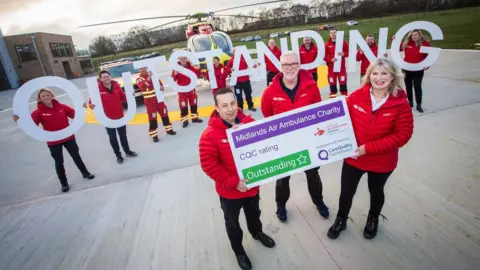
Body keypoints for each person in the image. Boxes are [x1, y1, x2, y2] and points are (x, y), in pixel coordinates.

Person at [327, 58, 414, 240]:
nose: (379, 78)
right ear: (369, 75)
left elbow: (403, 135)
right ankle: (341, 219)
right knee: (346, 192)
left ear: (392, 77)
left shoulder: (401, 103)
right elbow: (340, 122)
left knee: (376, 192)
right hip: (354, 158)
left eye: (384, 73)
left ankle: (372, 219)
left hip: (382, 162)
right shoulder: (356, 96)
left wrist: (369, 148)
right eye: (375, 73)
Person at [199, 88, 275, 270]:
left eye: (232, 103)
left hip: (252, 186)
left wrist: (248, 134)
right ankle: (239, 251)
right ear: (216, 108)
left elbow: (266, 146)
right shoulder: (209, 135)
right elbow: (208, 165)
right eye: (224, 105)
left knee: (254, 214)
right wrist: (234, 183)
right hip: (230, 192)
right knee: (232, 222)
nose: (230, 109)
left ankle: (257, 233)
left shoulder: (250, 123)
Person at [261, 51, 329, 222]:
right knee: (283, 178)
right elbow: (267, 116)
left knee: (313, 174)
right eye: (286, 64)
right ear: (280, 67)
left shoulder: (311, 87)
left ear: (299, 65)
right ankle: (281, 205)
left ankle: (318, 201)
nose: (290, 68)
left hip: (308, 142)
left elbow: (317, 112)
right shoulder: (270, 91)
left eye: (293, 64)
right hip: (284, 144)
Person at [13, 88, 94, 193]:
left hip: (68, 137)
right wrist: (18, 120)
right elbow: (31, 125)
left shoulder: (62, 107)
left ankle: (85, 173)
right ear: (39, 99)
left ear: (52, 96)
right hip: (53, 141)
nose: (46, 97)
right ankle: (64, 183)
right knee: (59, 162)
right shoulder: (38, 112)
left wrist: (83, 108)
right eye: (43, 96)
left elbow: (76, 115)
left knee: (76, 155)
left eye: (48, 95)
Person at [87, 70, 138, 164]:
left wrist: (131, 96)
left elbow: (123, 97)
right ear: (100, 79)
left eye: (107, 76)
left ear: (110, 77)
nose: (106, 78)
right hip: (107, 118)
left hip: (120, 115)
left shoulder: (116, 85)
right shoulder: (97, 88)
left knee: (123, 135)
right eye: (104, 77)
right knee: (113, 138)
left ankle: (127, 151)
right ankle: (118, 156)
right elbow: (91, 102)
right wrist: (91, 105)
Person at [393, 29, 431, 113]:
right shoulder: (407, 43)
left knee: (417, 86)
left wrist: (427, 65)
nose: (414, 36)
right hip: (407, 68)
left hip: (418, 69)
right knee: (408, 86)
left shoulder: (425, 44)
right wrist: (394, 40)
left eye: (416, 34)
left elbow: (428, 56)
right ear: (411, 36)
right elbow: (397, 48)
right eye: (413, 35)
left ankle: (419, 104)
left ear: (419, 35)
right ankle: (410, 102)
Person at [137, 67, 177, 140]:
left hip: (159, 100)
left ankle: (169, 130)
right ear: (140, 70)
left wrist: (161, 87)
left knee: (165, 114)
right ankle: (154, 135)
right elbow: (143, 87)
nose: (144, 70)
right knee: (153, 118)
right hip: (150, 102)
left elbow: (160, 83)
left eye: (145, 68)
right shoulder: (139, 79)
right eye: (142, 68)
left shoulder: (154, 76)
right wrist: (149, 77)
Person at [171, 56, 203, 127]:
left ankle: (194, 118)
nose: (183, 60)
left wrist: (198, 70)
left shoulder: (191, 67)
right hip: (182, 91)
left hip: (191, 90)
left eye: (184, 58)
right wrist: (174, 74)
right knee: (183, 107)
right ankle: (185, 121)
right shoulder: (176, 68)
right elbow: (172, 80)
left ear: (187, 59)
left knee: (194, 105)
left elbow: (197, 75)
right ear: (179, 59)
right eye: (181, 59)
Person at [226, 48, 257, 112]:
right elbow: (227, 69)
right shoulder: (231, 60)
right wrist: (230, 69)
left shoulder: (244, 58)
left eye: (236, 51)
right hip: (237, 82)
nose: (235, 52)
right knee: (238, 95)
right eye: (234, 51)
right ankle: (240, 107)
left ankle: (250, 106)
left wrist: (253, 66)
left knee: (248, 93)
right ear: (232, 53)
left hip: (246, 80)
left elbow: (250, 65)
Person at [324, 29, 349, 98]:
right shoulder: (327, 44)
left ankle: (345, 101)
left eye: (334, 33)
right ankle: (332, 101)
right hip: (331, 69)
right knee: (332, 86)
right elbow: (323, 56)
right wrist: (330, 60)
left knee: (343, 84)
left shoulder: (343, 42)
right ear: (330, 34)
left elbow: (349, 52)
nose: (333, 34)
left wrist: (344, 53)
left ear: (337, 34)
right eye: (332, 33)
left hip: (341, 68)